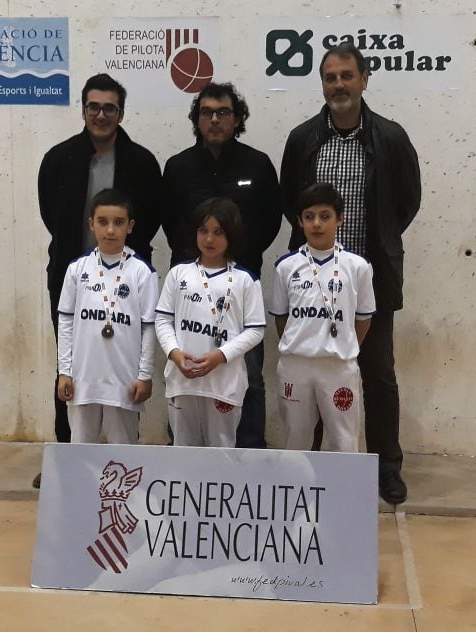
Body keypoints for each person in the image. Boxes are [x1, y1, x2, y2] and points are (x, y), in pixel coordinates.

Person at [279, 44, 421, 503]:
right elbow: (290, 203)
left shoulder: (391, 138)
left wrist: (371, 246)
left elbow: (406, 202)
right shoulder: (303, 140)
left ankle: (384, 470)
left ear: (364, 79)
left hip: (367, 281)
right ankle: (314, 471)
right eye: (329, 77)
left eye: (346, 75)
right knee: (313, 375)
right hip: (312, 280)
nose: (337, 85)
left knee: (377, 376)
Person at [36, 73, 162, 487]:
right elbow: (49, 212)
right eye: (94, 106)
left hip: (125, 280)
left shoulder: (141, 162)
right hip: (73, 274)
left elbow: (151, 217)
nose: (101, 114)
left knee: (124, 369)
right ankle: (66, 460)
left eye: (110, 107)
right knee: (69, 368)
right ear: (84, 110)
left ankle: (123, 465)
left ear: (121, 112)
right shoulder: (59, 158)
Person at [161, 82, 282, 449]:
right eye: (206, 112)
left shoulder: (257, 164)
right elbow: (169, 221)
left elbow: (270, 219)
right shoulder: (178, 166)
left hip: (240, 283)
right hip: (190, 287)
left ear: (237, 119)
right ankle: (184, 450)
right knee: (188, 368)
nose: (214, 119)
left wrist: (238, 260)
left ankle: (249, 449)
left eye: (223, 112)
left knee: (250, 373)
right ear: (197, 119)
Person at [270, 183, 375, 452]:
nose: (317, 224)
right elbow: (281, 319)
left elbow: (363, 319)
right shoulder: (286, 266)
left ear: (340, 219)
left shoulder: (358, 267)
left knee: (345, 440)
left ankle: (343, 493)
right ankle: (297, 491)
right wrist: (302, 344)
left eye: (325, 216)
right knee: (296, 440)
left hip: (338, 367)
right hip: (296, 365)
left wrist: (343, 347)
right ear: (300, 221)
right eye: (309, 217)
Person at [155, 198, 266, 447]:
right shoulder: (178, 274)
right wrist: (174, 353)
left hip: (224, 384)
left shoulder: (245, 279)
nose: (209, 239)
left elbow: (255, 330)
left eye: (218, 232)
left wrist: (220, 355)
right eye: (203, 231)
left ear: (232, 235)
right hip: (182, 381)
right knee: (183, 452)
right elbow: (163, 319)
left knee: (222, 453)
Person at [56, 189, 159, 444]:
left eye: (119, 222)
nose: (110, 230)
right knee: (80, 453)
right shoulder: (76, 270)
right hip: (83, 380)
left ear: (130, 226)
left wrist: (144, 376)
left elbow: (149, 328)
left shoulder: (142, 272)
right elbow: (66, 323)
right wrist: (64, 372)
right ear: (91, 224)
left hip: (123, 382)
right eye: (102, 222)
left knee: (124, 456)